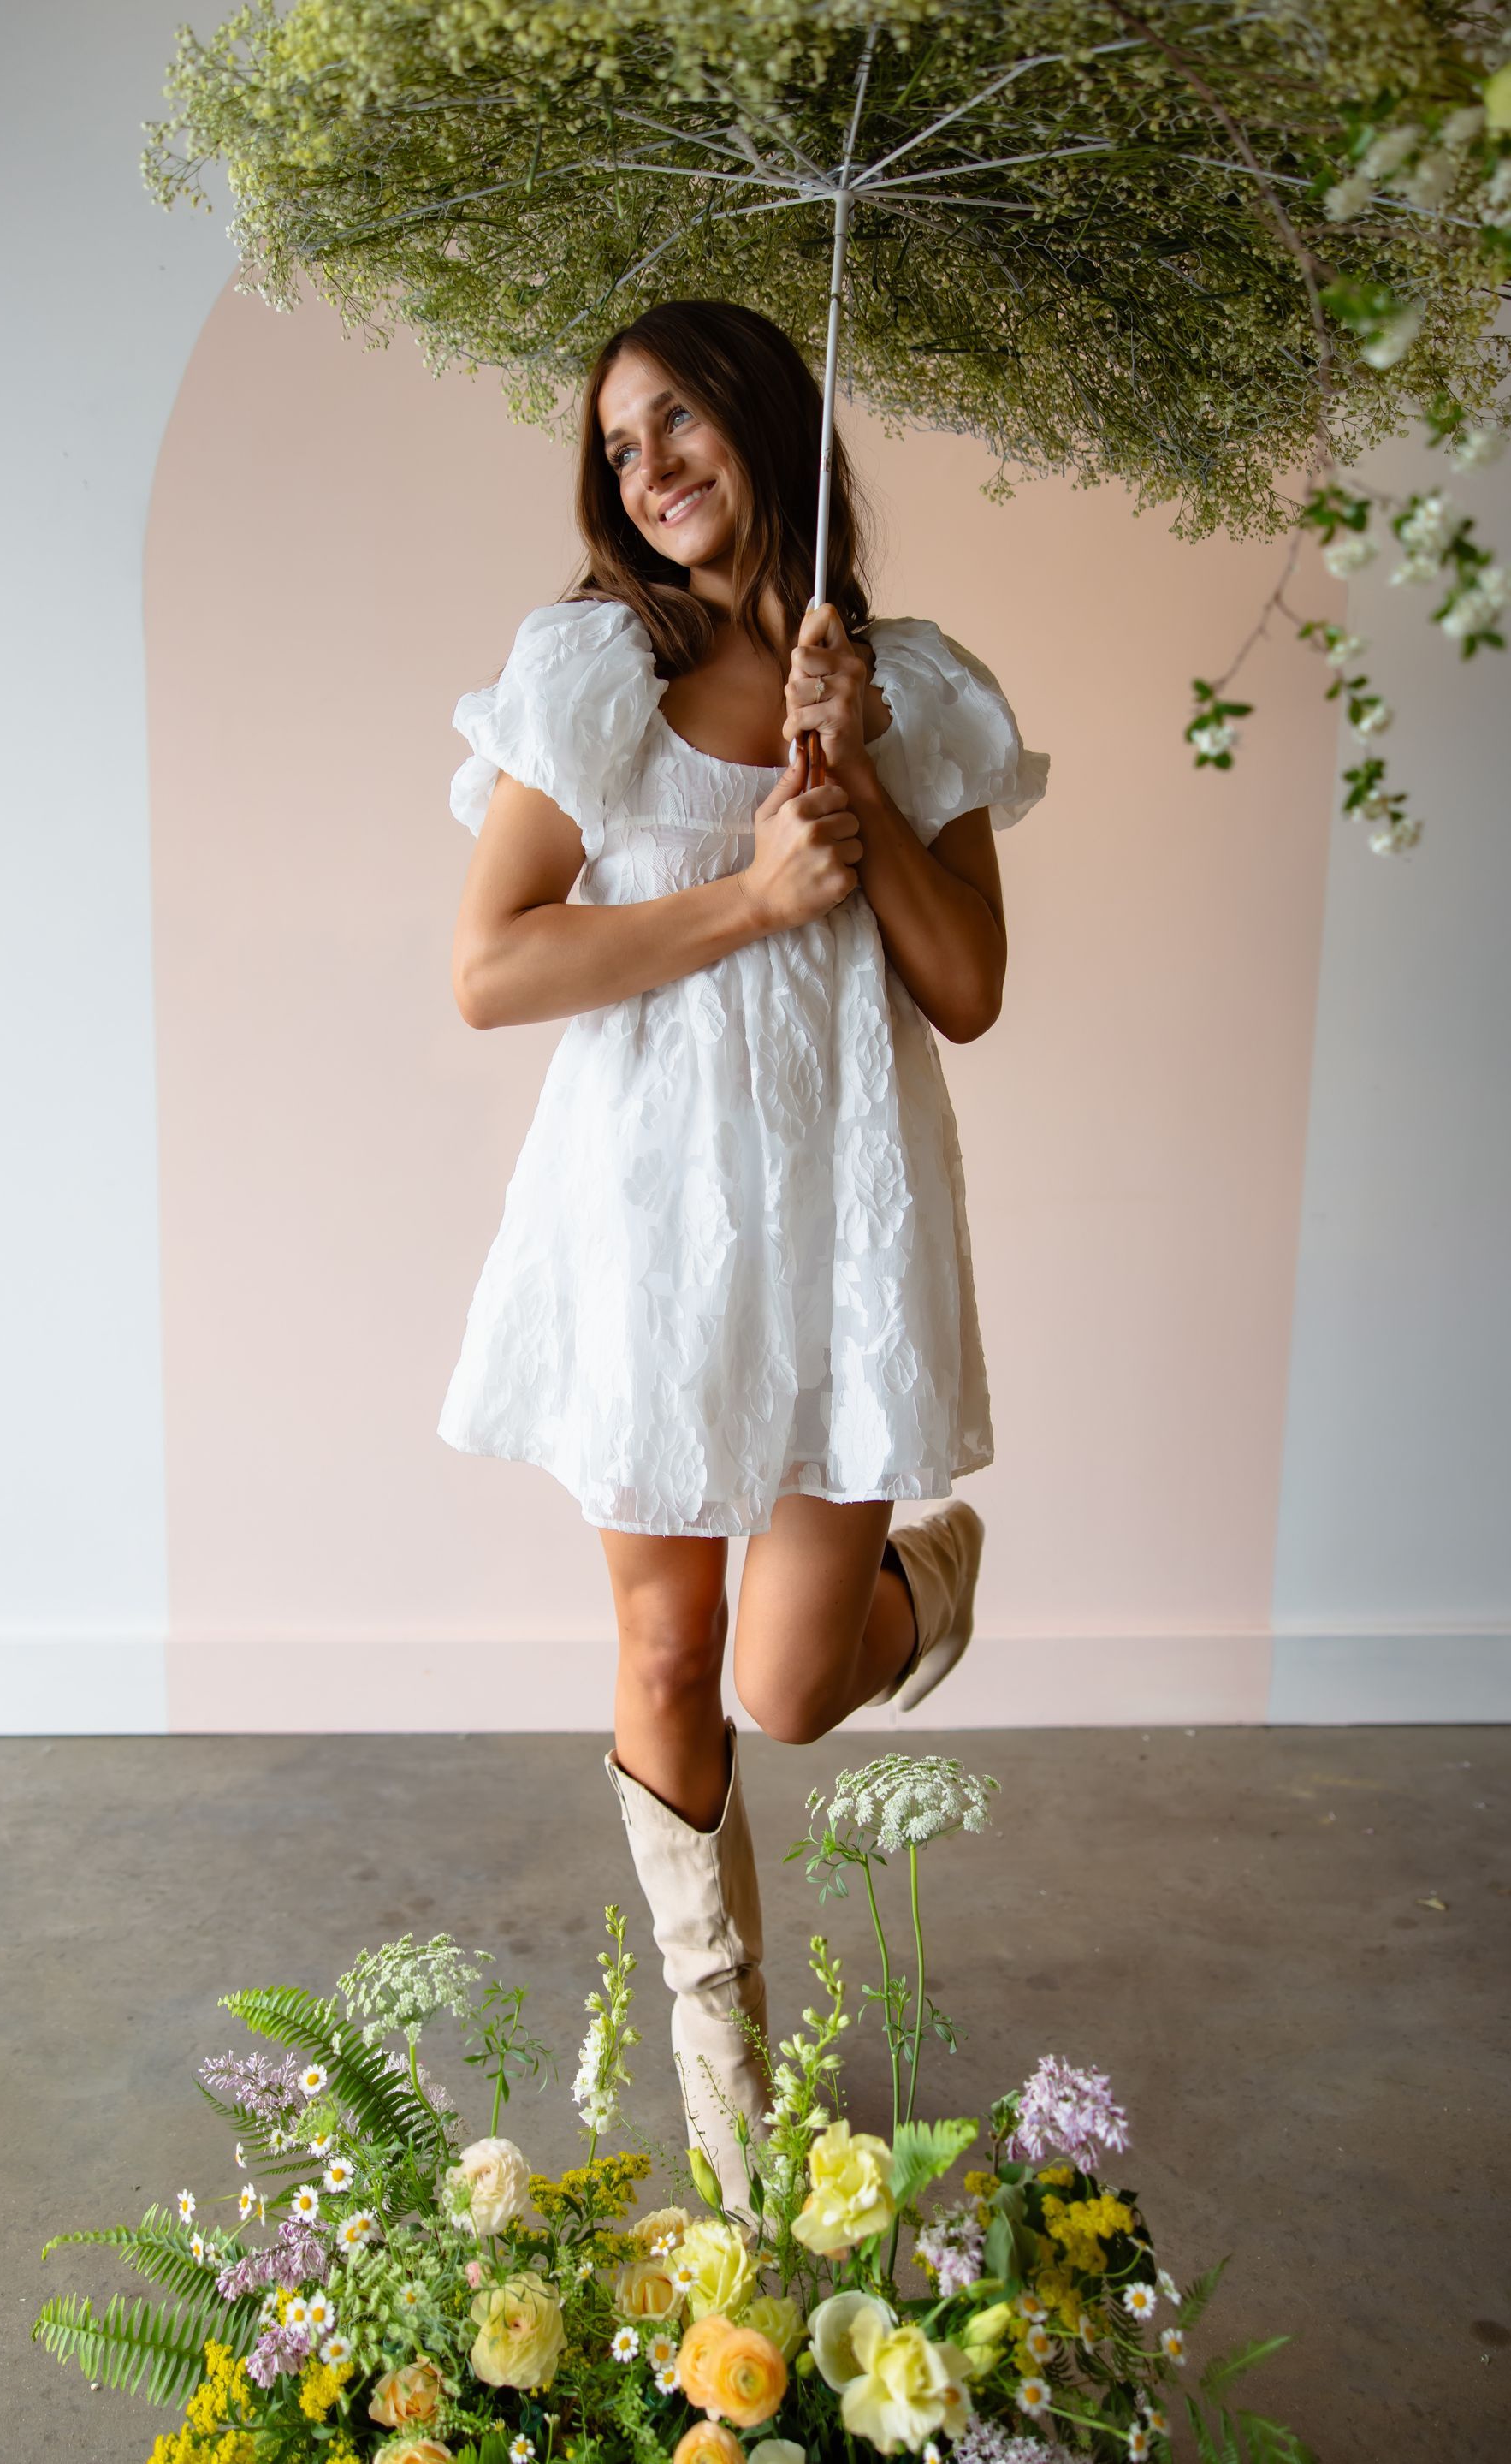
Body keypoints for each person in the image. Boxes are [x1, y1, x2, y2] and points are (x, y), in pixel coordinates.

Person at [440, 300, 1047, 2208]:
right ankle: (737, 2141)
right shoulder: (593, 673)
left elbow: (970, 991)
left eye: (679, 420)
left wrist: (853, 784)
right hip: (650, 1233)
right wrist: (752, 891)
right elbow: (492, 967)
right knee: (663, 1647)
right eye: (618, 446)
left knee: (787, 1690)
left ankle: (913, 1590)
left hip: (837, 1236)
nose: (650, 469)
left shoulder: (911, 687)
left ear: (768, 420)